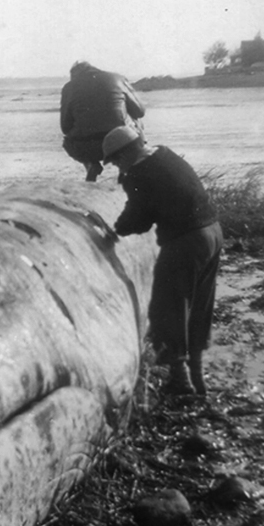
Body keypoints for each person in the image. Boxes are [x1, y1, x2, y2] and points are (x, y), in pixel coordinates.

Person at [102, 125, 223, 397]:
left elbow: (138, 220)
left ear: (126, 152)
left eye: (116, 160)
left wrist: (114, 231)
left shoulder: (139, 172)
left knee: (166, 308)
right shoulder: (166, 155)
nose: (117, 166)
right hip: (213, 233)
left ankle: (180, 379)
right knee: (198, 306)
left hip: (186, 241)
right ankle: (197, 377)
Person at [60, 61, 146, 182]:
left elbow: (65, 127)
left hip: (87, 148)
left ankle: (91, 164)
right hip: (122, 144)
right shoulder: (117, 78)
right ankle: (130, 167)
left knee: (68, 140)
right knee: (135, 119)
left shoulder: (68, 87)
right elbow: (140, 111)